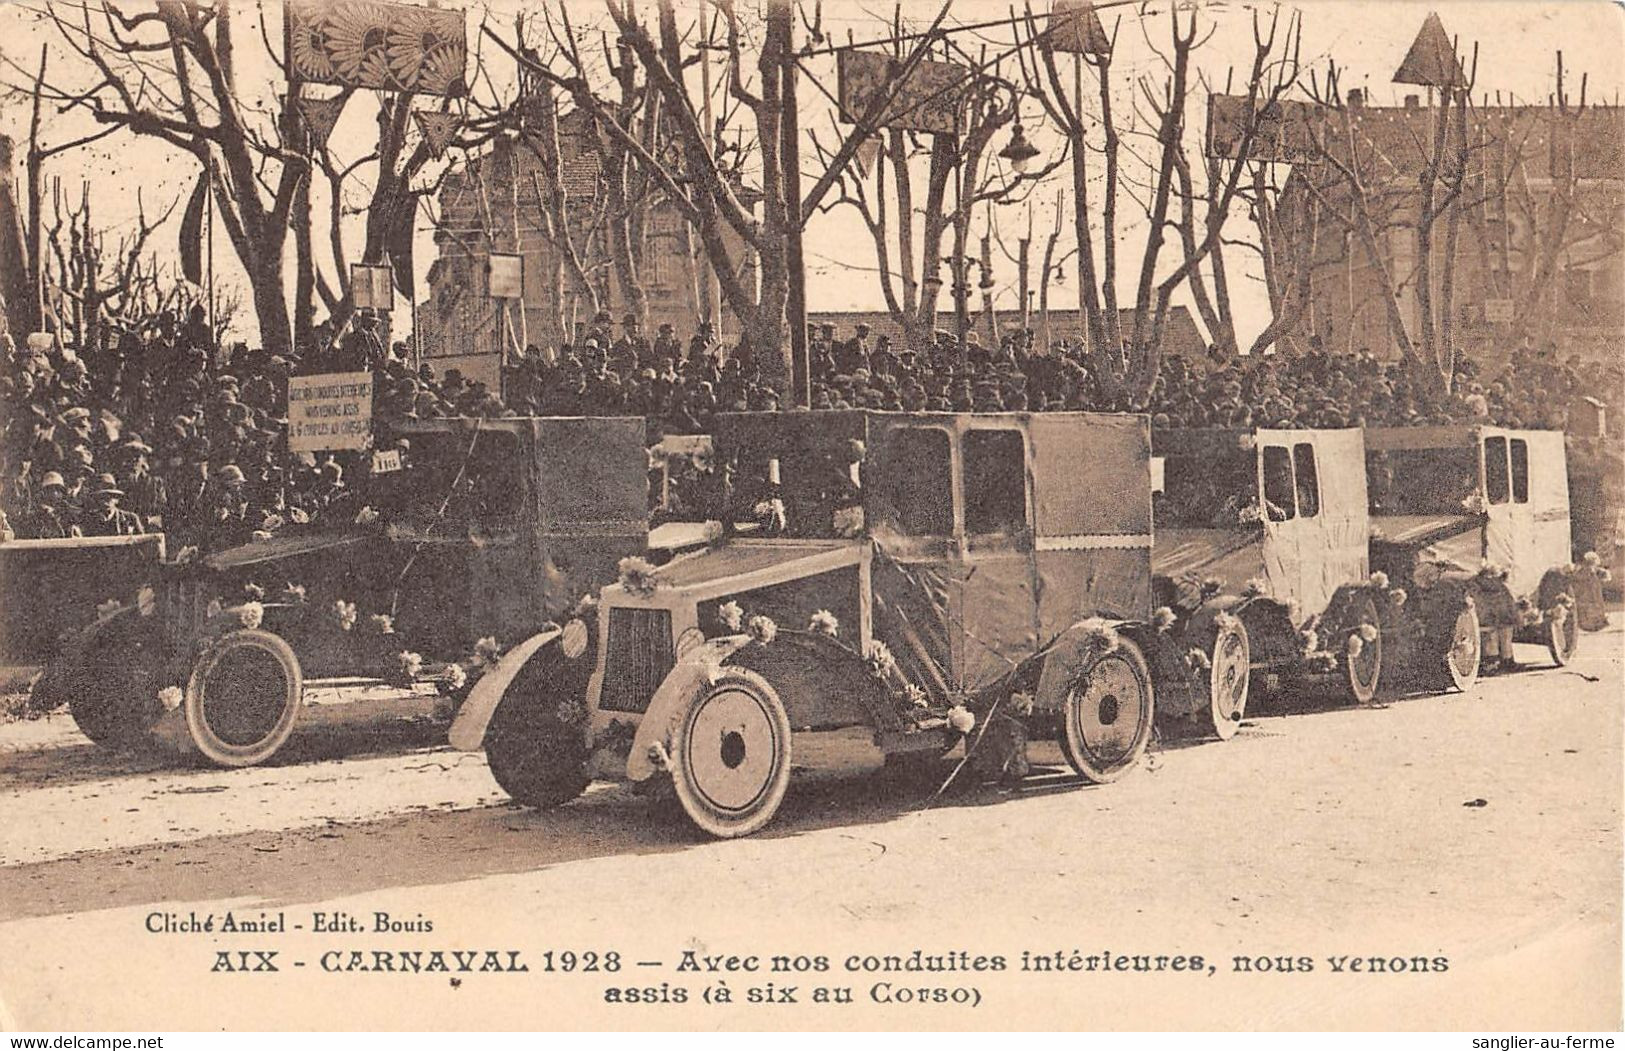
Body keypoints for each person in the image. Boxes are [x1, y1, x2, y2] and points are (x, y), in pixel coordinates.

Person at [80, 474, 145, 537]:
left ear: (117, 500)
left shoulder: (130, 519)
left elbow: (142, 543)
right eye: (102, 497)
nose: (107, 501)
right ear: (97, 500)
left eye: (110, 497)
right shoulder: (89, 520)